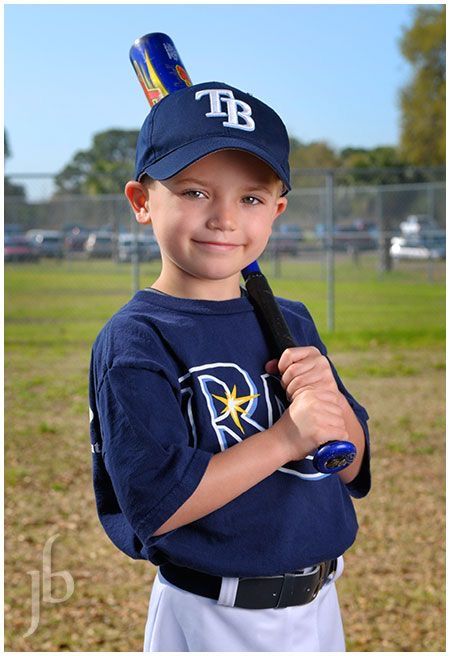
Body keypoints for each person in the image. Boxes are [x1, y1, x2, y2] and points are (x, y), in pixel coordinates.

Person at [89, 81, 370, 652]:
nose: (223, 218)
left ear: (277, 210)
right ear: (142, 202)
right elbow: (159, 506)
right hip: (213, 616)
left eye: (250, 198)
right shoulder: (136, 340)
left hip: (320, 607)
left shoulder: (290, 322)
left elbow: (350, 466)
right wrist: (287, 437)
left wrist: (332, 410)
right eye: (194, 192)